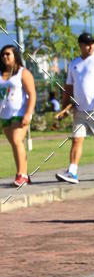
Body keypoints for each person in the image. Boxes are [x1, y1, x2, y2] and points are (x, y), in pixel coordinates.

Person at [55, 33, 94, 184]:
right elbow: (68, 88)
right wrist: (64, 108)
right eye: (87, 44)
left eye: (92, 43)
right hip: (80, 110)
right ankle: (72, 172)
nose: (90, 46)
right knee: (76, 140)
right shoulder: (73, 64)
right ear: (80, 45)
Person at [0, 44, 36, 186]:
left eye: (8, 54)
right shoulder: (1, 73)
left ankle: (22, 175)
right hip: (5, 115)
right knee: (15, 145)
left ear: (15, 56)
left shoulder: (23, 73)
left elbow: (32, 94)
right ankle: (23, 174)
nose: (5, 56)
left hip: (19, 113)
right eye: (3, 54)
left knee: (16, 141)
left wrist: (28, 113)